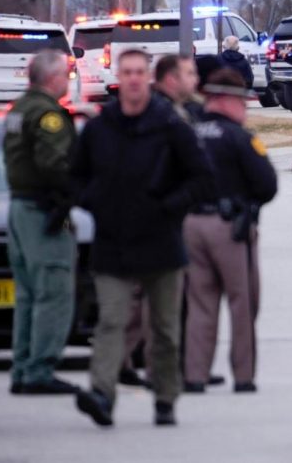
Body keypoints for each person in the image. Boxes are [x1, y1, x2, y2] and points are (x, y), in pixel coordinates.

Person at [72, 49, 213, 428]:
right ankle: (102, 393)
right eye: (127, 72)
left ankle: (165, 398)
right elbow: (75, 176)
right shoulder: (102, 127)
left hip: (162, 241)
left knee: (165, 329)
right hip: (113, 241)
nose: (134, 78)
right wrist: (94, 202)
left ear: (148, 77)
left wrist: (172, 205)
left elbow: (201, 177)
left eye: (140, 72)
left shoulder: (170, 125)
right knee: (110, 322)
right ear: (119, 76)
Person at [184, 69, 278, 394]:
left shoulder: (190, 133)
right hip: (230, 229)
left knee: (199, 303)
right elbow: (267, 185)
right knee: (243, 302)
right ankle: (243, 375)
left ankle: (194, 374)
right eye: (242, 102)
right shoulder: (239, 137)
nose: (245, 109)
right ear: (226, 100)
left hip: (191, 226)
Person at [2, 50, 79, 396]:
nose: (68, 80)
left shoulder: (19, 109)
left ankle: (22, 367)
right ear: (51, 78)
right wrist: (71, 193)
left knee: (28, 294)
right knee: (53, 290)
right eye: (65, 74)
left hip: (19, 208)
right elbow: (54, 163)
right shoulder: (48, 115)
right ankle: (40, 369)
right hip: (42, 211)